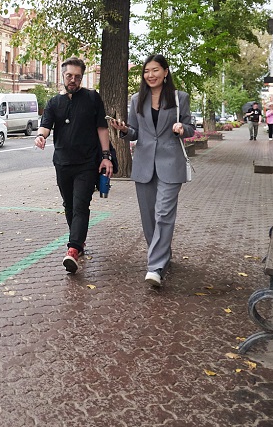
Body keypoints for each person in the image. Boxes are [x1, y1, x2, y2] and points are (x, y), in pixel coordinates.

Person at [110, 54, 195, 288]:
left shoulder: (180, 98)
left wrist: (182, 128)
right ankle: (162, 255)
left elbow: (190, 127)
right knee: (148, 217)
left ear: (165, 72)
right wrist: (124, 130)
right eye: (147, 71)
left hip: (171, 163)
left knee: (163, 213)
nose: (150, 75)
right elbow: (135, 132)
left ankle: (155, 267)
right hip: (144, 163)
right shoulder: (137, 99)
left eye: (155, 70)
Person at [33, 56, 113, 274]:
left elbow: (102, 128)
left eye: (77, 77)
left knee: (80, 205)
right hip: (62, 163)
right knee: (68, 205)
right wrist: (40, 137)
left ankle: (73, 249)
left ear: (82, 77)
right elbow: (45, 125)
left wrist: (106, 156)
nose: (73, 80)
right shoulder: (54, 102)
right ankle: (79, 241)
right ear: (63, 75)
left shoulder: (92, 98)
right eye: (69, 75)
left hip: (87, 163)